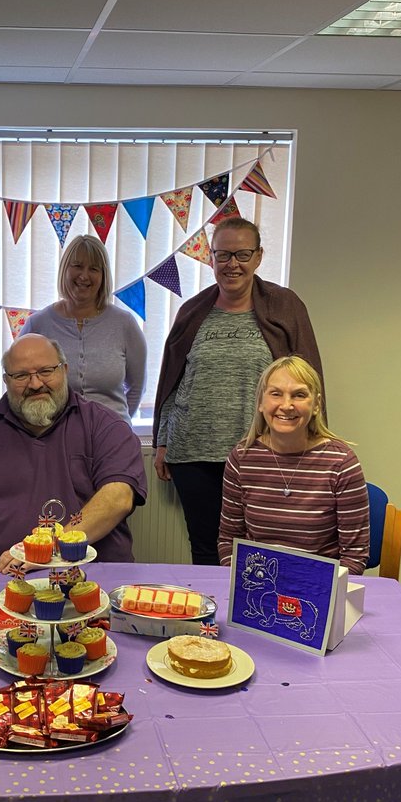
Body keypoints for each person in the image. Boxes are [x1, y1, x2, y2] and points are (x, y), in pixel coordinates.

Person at [153, 216, 323, 566]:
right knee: (205, 548)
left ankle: (256, 616)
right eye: (223, 255)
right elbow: (173, 380)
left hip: (261, 451)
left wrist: (309, 442)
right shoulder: (193, 311)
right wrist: (162, 440)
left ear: (259, 256)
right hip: (193, 453)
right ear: (211, 258)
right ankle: (211, 621)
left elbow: (307, 379)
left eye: (243, 254)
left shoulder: (285, 306)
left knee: (261, 548)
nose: (233, 264)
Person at [0, 333, 148, 568]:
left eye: (45, 371)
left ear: (64, 370)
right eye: (21, 375)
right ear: (6, 380)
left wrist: (45, 550)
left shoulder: (104, 425)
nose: (35, 384)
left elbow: (119, 498)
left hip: (92, 580)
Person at [218, 356, 369, 573]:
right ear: (261, 402)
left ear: (316, 404)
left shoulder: (341, 463)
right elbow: (228, 542)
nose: (286, 406)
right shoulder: (241, 459)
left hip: (318, 590)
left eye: (299, 395)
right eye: (276, 393)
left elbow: (354, 556)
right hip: (257, 584)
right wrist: (249, 584)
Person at [20, 233, 147, 422]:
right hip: (54, 439)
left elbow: (137, 388)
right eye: (77, 266)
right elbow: (19, 383)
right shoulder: (37, 324)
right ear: (65, 270)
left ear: (103, 276)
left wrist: (116, 424)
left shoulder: (125, 324)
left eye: (94, 269)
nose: (84, 276)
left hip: (112, 439)